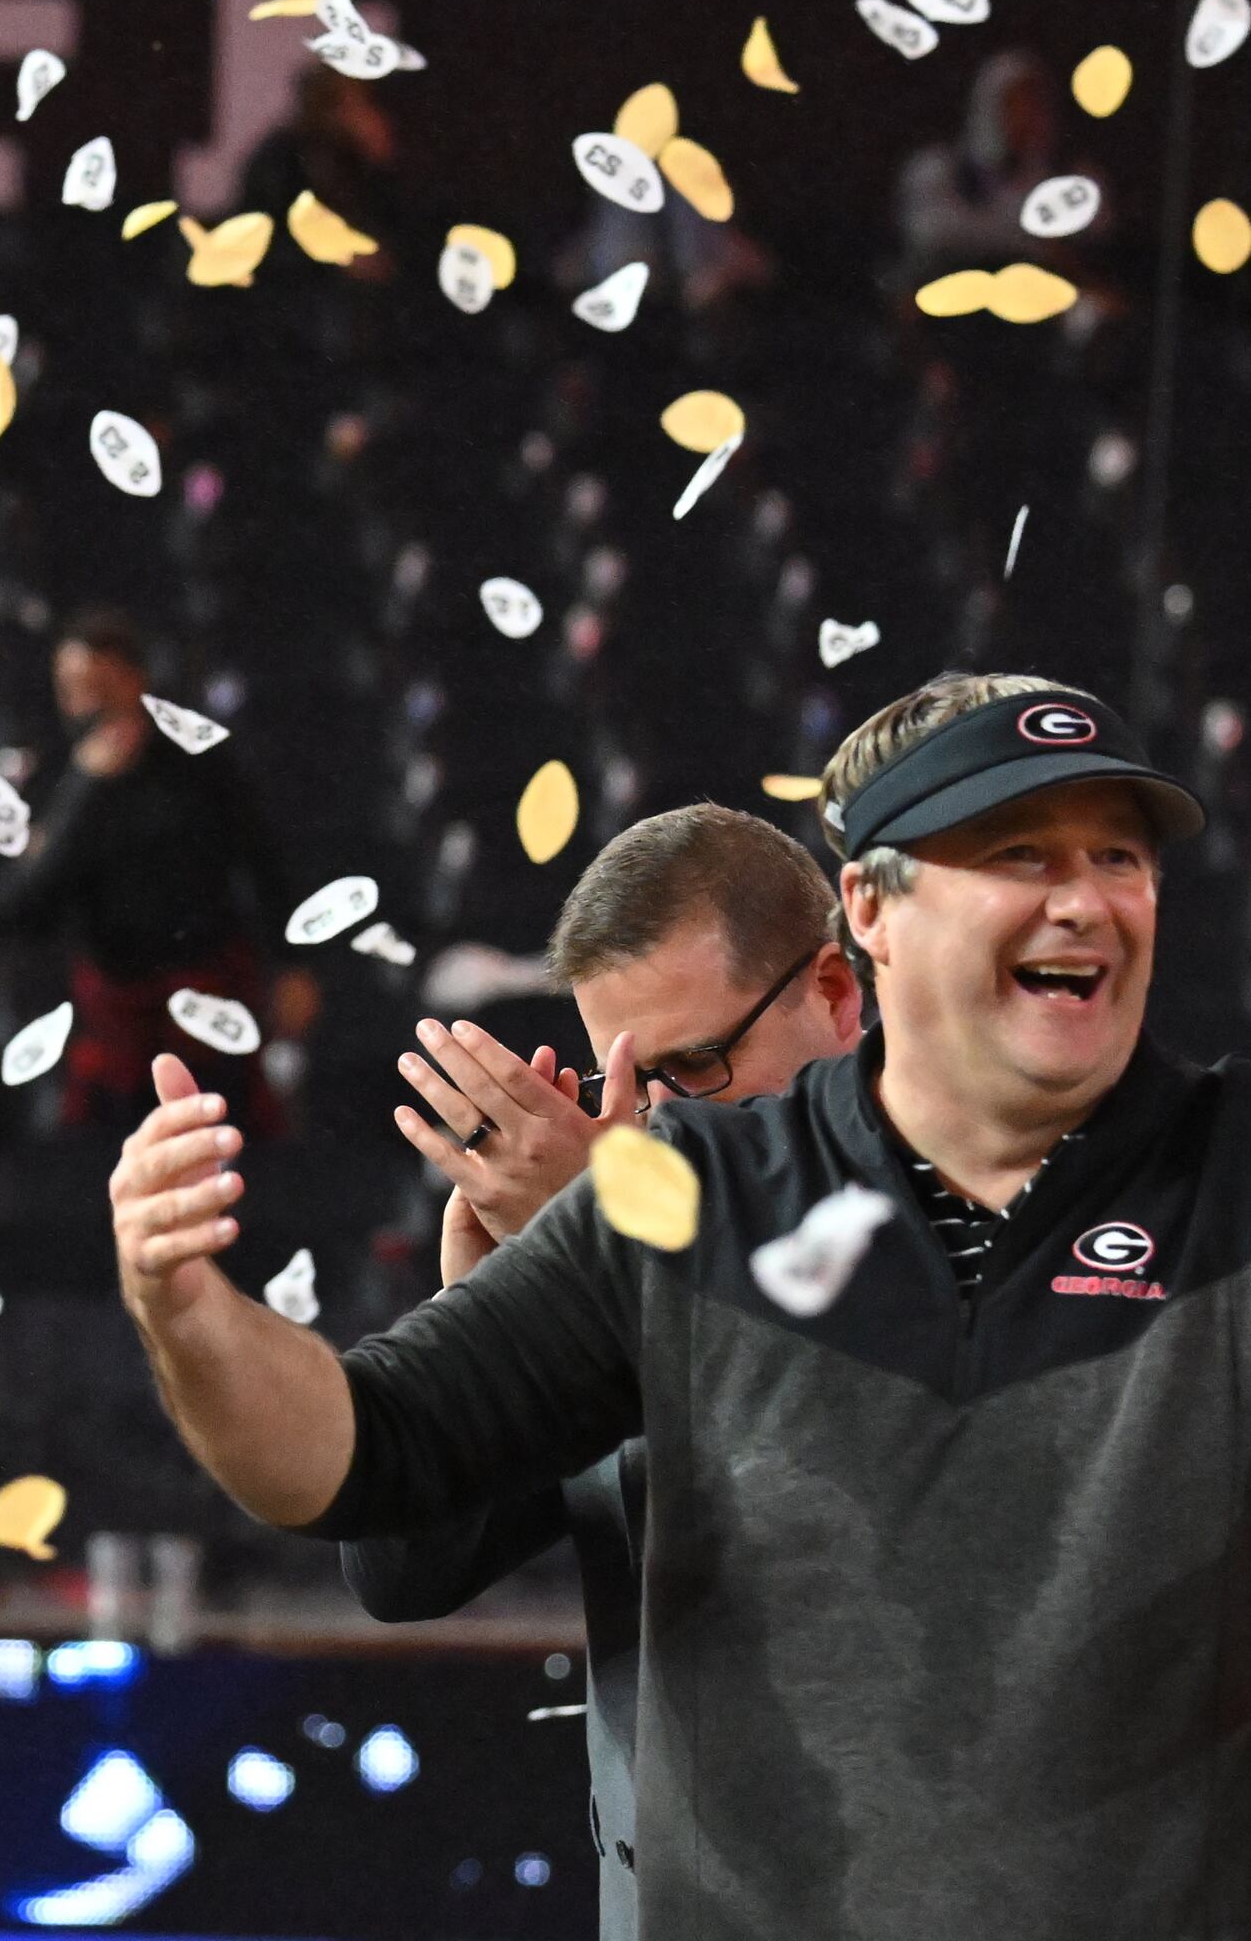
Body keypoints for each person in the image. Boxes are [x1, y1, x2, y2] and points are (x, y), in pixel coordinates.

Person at [107, 670, 1251, 1939]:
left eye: (1118, 855)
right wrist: (192, 1316)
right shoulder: (687, 1209)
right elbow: (354, 1458)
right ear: (873, 916)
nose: (1087, 897)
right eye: (1017, 855)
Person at [334, 804, 860, 1940]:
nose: (657, 1120)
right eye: (629, 1078)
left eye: (696, 1065)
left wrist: (625, 1254)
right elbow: (401, 1568)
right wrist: (490, 1313)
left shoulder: (984, 1233)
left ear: (837, 994)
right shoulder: (630, 1240)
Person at [0, 611, 298, 1137]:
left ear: (137, 680)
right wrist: (85, 790)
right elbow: (28, 907)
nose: (88, 706)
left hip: (207, 992)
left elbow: (264, 860)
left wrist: (296, 965)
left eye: (102, 688)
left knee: (223, 1148)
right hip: (115, 1013)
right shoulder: (56, 777)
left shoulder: (200, 757)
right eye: (73, 691)